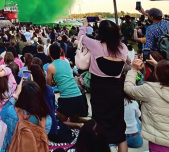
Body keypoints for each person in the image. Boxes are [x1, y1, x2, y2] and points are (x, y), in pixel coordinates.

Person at [78, 19, 129, 151]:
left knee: (98, 127)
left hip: (99, 91)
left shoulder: (96, 45)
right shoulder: (123, 47)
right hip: (116, 91)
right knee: (119, 131)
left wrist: (84, 26)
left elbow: (81, 37)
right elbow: (128, 61)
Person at [124, 58, 169, 151]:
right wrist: (158, 66)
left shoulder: (149, 89)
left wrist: (134, 70)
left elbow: (128, 89)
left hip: (158, 144)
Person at [0, 79, 52, 150]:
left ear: (21, 97)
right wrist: (33, 88)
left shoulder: (12, 113)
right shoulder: (47, 120)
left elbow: (3, 111)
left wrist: (15, 94)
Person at [46, 44, 87, 129]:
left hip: (67, 97)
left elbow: (48, 84)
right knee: (74, 119)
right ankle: (90, 121)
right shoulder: (66, 62)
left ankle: (79, 126)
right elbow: (66, 78)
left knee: (60, 121)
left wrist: (54, 82)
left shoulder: (50, 67)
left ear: (49, 54)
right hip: (78, 95)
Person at [30, 64, 57, 136]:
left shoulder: (31, 90)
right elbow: (53, 106)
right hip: (52, 125)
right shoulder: (48, 88)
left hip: (41, 127)